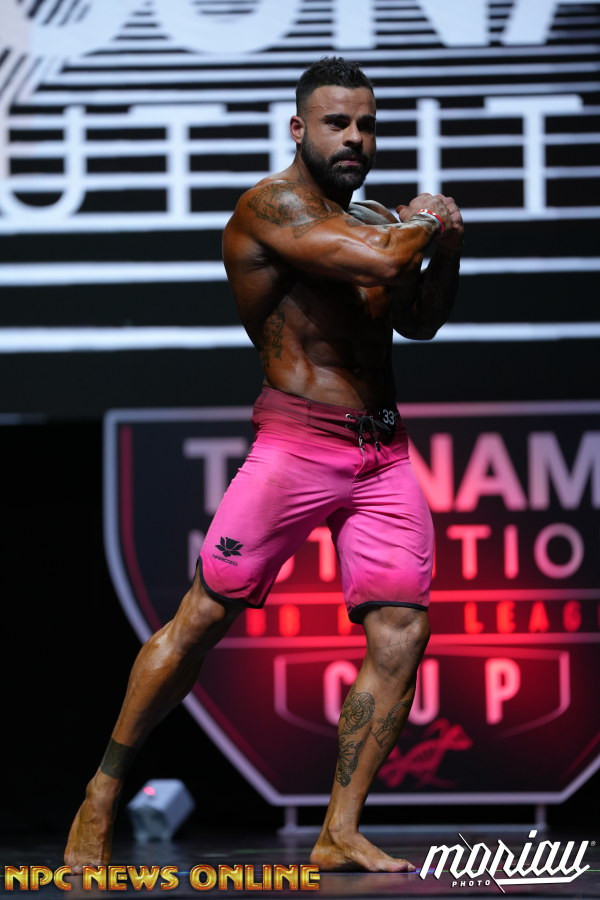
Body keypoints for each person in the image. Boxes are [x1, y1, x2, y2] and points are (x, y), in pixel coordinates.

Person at [65, 56, 463, 873]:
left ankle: (339, 830)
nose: (354, 138)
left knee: (402, 630)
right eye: (336, 123)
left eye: (366, 125)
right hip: (296, 443)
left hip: (382, 452)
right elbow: (388, 262)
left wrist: (446, 250)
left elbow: (418, 321)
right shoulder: (271, 207)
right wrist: (429, 222)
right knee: (202, 618)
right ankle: (100, 795)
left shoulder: (374, 219)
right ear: (298, 128)